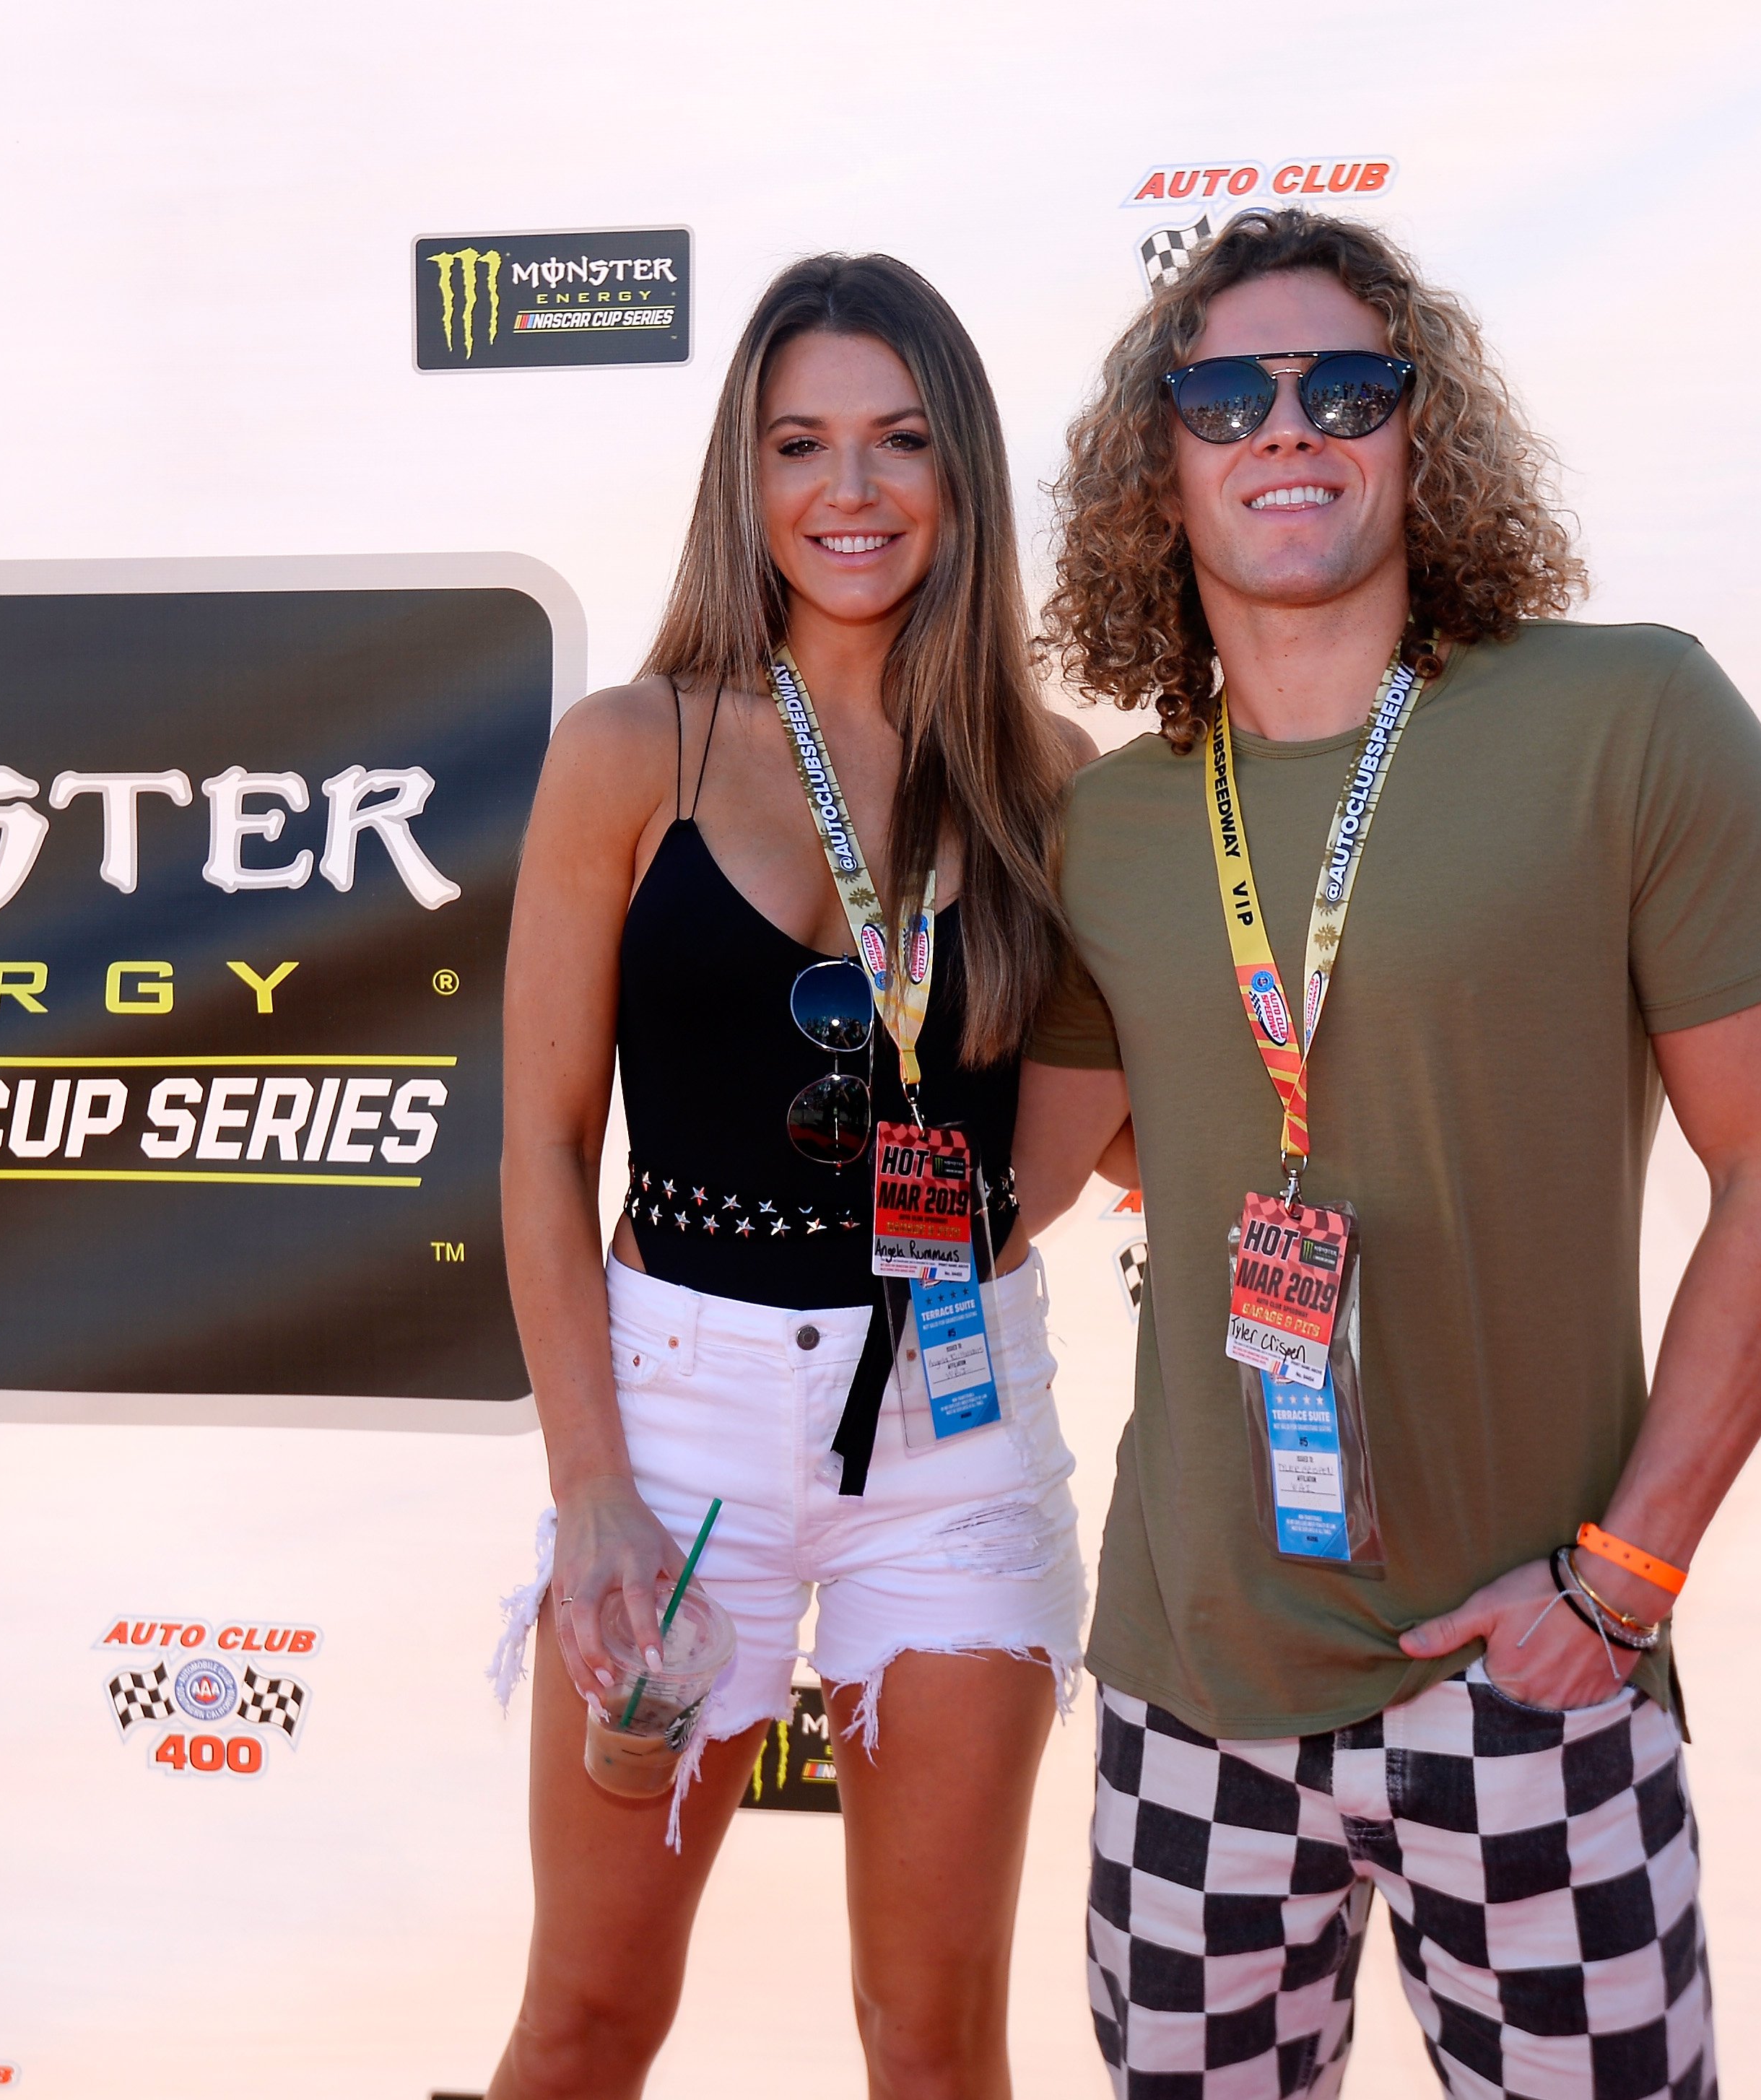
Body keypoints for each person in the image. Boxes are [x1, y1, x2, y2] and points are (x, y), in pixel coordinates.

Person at [1012, 206, 1761, 2100]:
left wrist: (1620, 1579)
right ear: (1159, 465)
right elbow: (1039, 1169)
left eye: (1347, 385)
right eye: (1225, 392)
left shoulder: (1626, 718)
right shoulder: (1116, 822)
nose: (1285, 425)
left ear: (1423, 432)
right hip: (1191, 1691)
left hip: (1527, 1669)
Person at [484, 254, 1094, 2099]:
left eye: (901, 441)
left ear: (962, 476)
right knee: (588, 2022)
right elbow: (534, 1145)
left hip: (955, 1434)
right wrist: (592, 1490)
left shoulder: (1050, 781)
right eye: (800, 442)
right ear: (739, 479)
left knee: (933, 2041)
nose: (851, 489)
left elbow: (1049, 1144)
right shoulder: (626, 752)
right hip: (674, 1426)